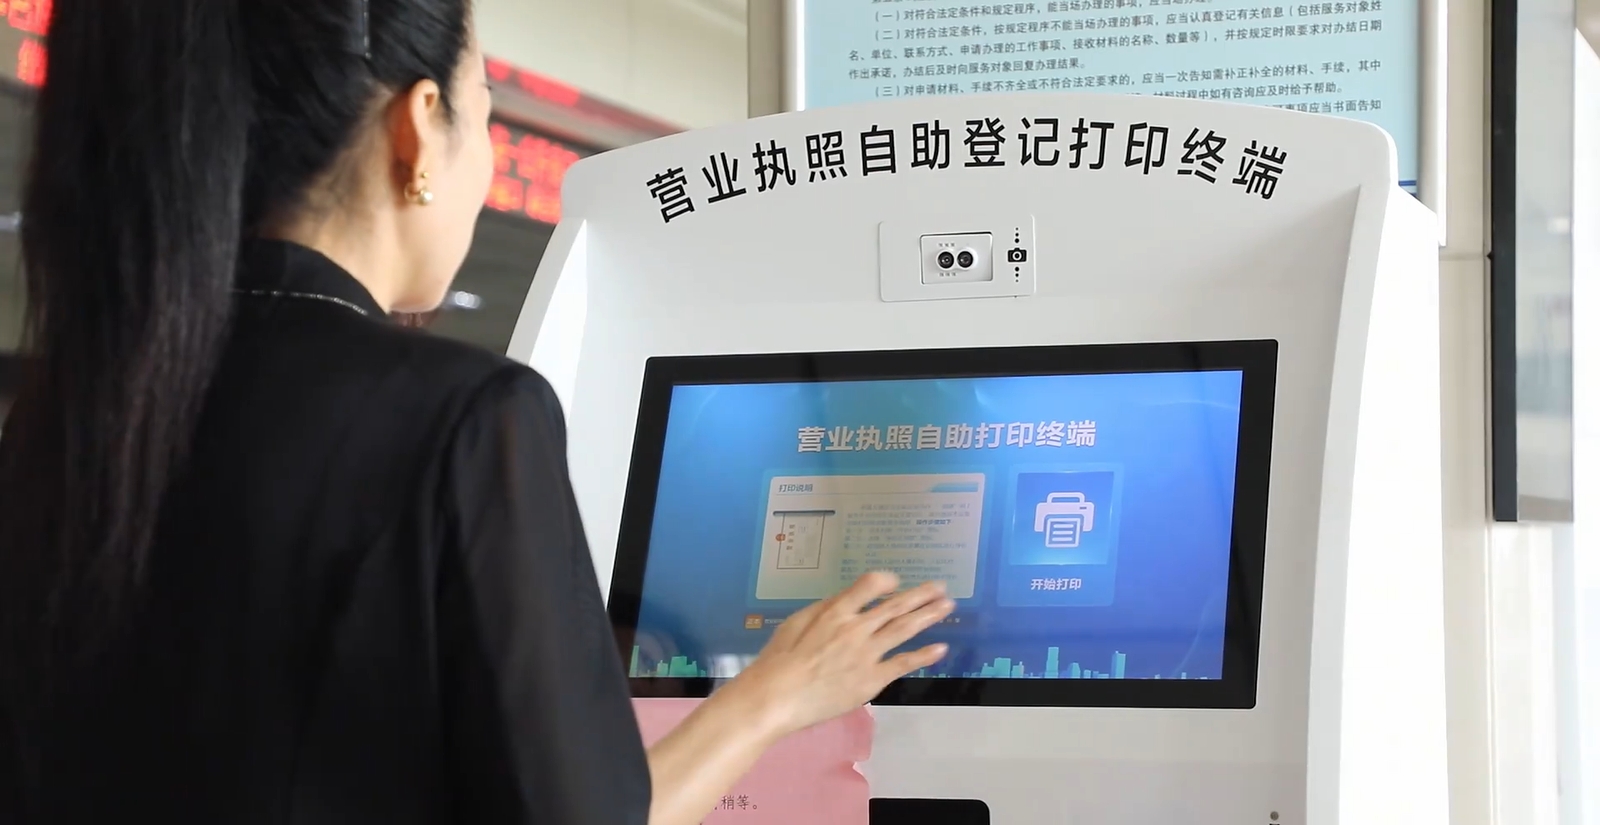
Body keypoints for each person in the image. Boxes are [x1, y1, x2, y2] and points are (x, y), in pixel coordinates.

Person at [0, 2, 954, 823]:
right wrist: (775, 693)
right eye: (484, 114)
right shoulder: (465, 418)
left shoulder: (63, 422)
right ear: (419, 131)